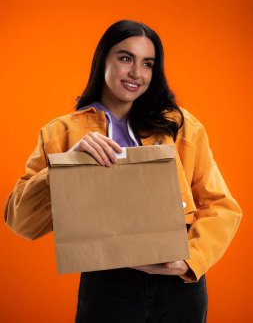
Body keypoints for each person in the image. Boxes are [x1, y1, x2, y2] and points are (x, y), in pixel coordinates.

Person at [4, 19, 242, 323]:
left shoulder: (180, 125)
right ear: (103, 58)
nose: (136, 73)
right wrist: (66, 164)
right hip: (107, 280)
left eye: (147, 64)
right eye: (125, 58)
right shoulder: (60, 132)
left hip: (177, 283)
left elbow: (221, 206)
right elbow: (20, 222)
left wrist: (189, 260)